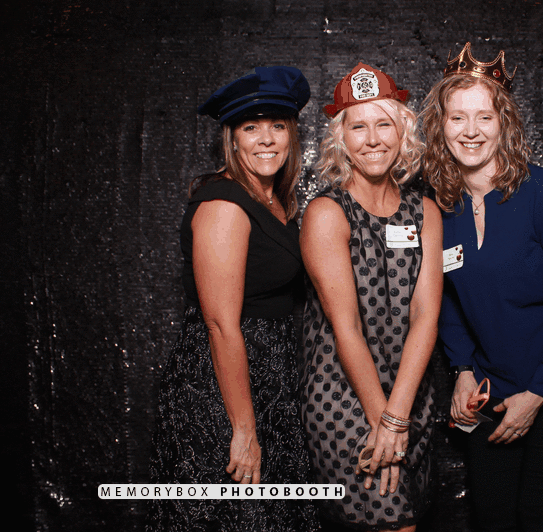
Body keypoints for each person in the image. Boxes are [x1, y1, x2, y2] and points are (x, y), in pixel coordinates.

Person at [421, 43, 543, 532]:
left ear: (504, 123)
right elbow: (447, 299)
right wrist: (463, 369)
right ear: (440, 126)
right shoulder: (440, 205)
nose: (470, 131)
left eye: (484, 117)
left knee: (538, 514)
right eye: (457, 117)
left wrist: (538, 393)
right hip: (498, 375)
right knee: (491, 513)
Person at [147, 66, 318, 532]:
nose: (266, 139)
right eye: (250, 127)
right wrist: (243, 428)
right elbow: (221, 324)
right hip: (221, 389)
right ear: (233, 140)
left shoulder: (275, 202)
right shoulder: (224, 204)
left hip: (270, 380)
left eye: (277, 125)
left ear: (292, 135)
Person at [300, 62, 442, 531]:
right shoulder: (327, 212)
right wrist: (383, 422)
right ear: (341, 139)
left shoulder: (425, 211)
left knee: (407, 517)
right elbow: (347, 329)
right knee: (391, 522)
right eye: (358, 127)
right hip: (345, 396)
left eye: (384, 124)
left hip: (410, 394)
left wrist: (399, 417)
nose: (373, 139)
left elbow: (426, 315)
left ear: (403, 133)